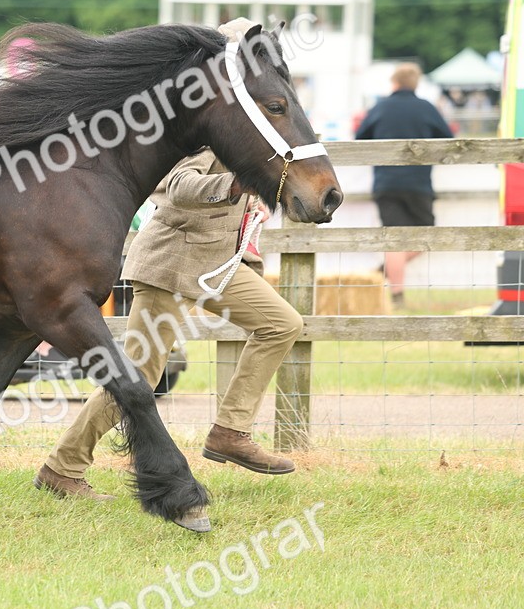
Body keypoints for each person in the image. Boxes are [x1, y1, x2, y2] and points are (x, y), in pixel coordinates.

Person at [35, 148, 304, 531]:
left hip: (218, 264)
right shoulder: (209, 138)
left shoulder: (261, 143)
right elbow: (178, 187)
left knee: (282, 323)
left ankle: (231, 432)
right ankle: (61, 469)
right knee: (138, 377)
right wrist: (236, 183)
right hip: (172, 263)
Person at [355, 63, 453, 309]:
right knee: (428, 235)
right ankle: (393, 286)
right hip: (419, 183)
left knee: (394, 239)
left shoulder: (379, 107)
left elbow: (359, 139)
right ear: (415, 84)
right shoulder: (426, 108)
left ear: (394, 83)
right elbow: (449, 140)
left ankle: (386, 275)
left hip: (386, 183)